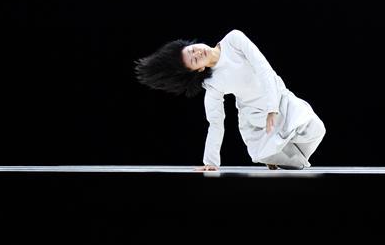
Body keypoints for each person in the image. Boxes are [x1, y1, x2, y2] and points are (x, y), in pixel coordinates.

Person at [135, 29, 326, 171]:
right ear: (199, 69)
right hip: (256, 118)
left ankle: (275, 153)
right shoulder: (211, 83)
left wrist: (273, 107)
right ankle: (272, 156)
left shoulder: (234, 39)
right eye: (194, 60)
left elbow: (263, 68)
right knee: (294, 163)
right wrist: (210, 162)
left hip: (279, 98)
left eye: (192, 50)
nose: (197, 53)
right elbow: (215, 122)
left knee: (317, 129)